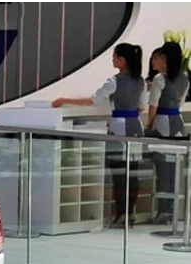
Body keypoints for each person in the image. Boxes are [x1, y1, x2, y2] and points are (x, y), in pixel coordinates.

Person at [53, 42, 146, 227]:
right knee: (132, 174)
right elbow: (141, 106)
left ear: (122, 60)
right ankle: (130, 213)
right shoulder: (141, 81)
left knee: (119, 173)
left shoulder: (114, 81)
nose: (112, 59)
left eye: (115, 56)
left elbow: (93, 100)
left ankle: (121, 214)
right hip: (136, 126)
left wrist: (64, 100)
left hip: (120, 128)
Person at [145, 40, 188, 225]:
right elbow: (180, 102)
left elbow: (153, 106)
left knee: (162, 169)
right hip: (178, 124)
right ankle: (172, 211)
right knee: (174, 170)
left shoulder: (159, 79)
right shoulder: (185, 78)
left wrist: (149, 125)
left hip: (162, 124)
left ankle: (163, 211)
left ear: (166, 58)